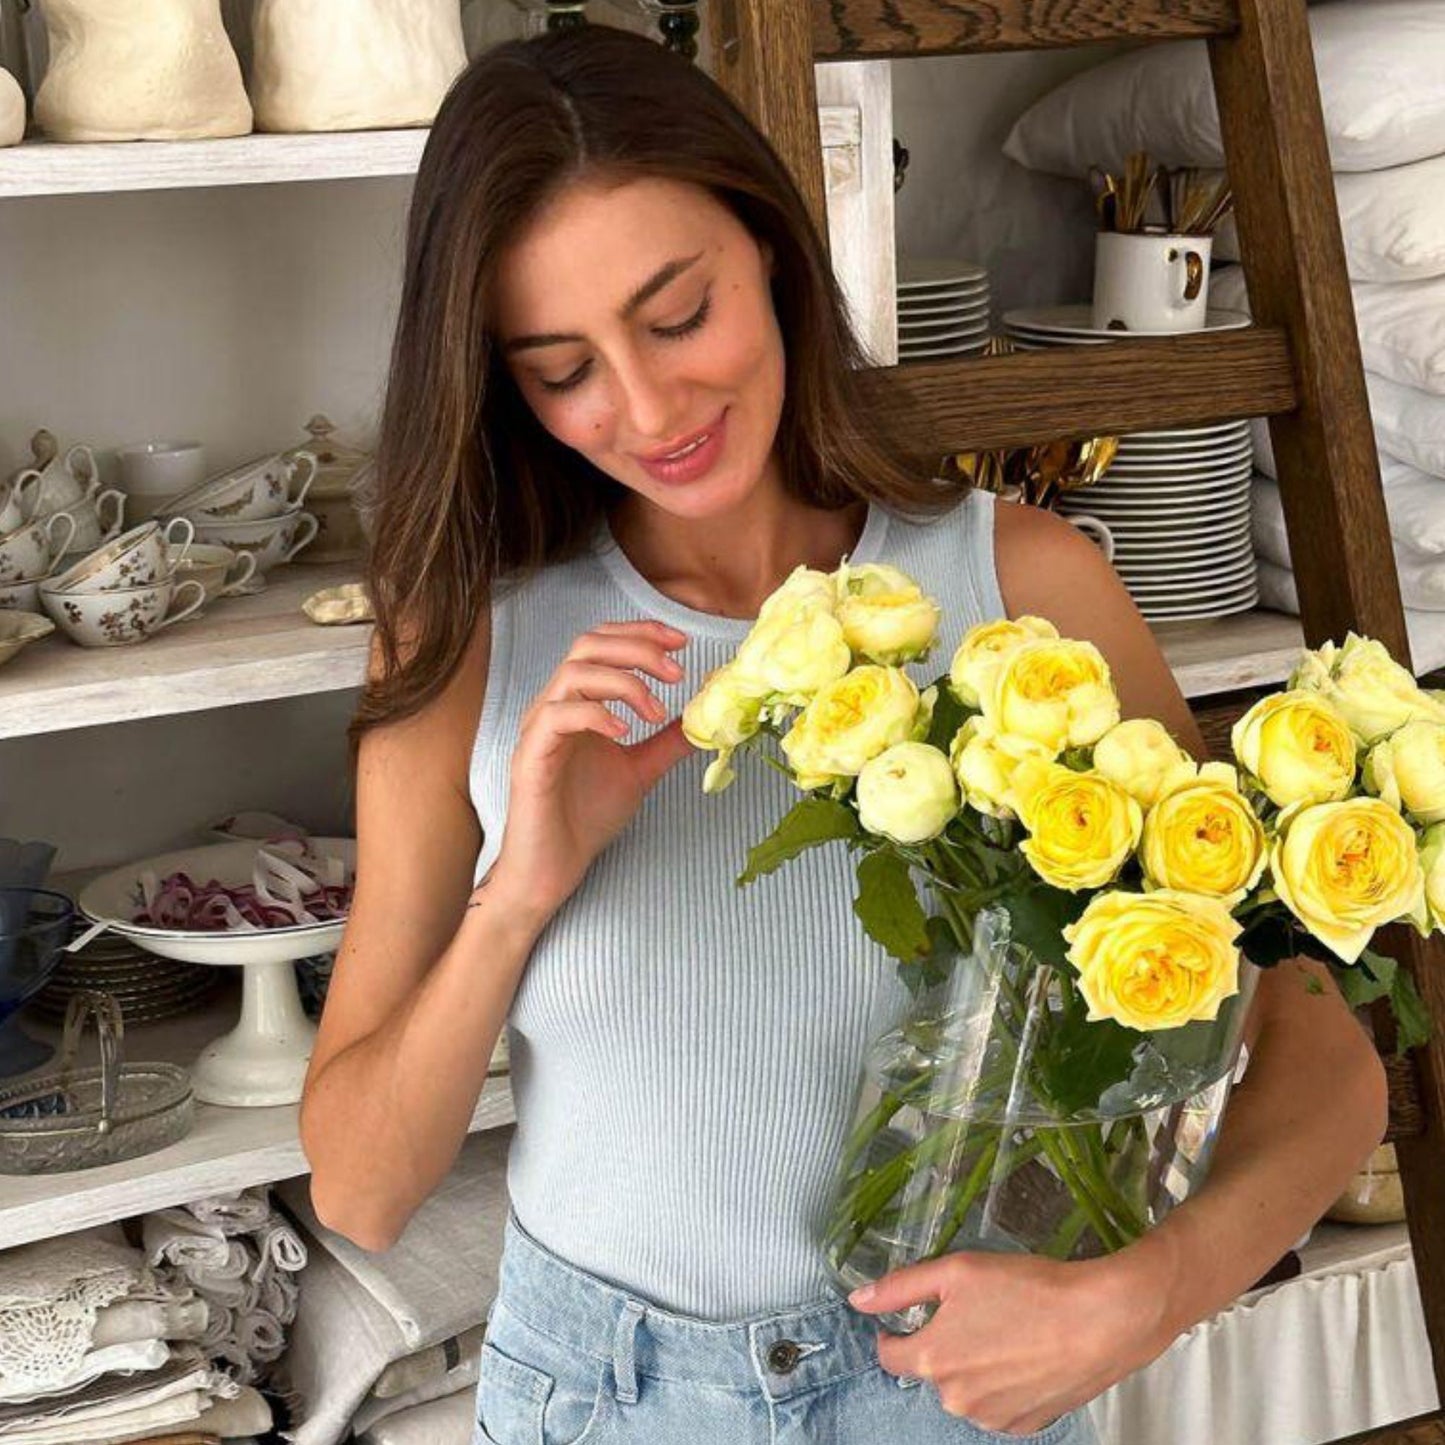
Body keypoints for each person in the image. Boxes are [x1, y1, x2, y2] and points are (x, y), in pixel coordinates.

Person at [298, 26, 1389, 1445]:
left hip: (951, 1388)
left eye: (677, 313)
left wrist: (1145, 1292)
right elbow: (363, 1191)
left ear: (770, 248)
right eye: (561, 366)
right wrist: (518, 896)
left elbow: (1315, 1044)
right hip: (606, 1401)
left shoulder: (1022, 590)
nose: (644, 407)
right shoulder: (468, 643)